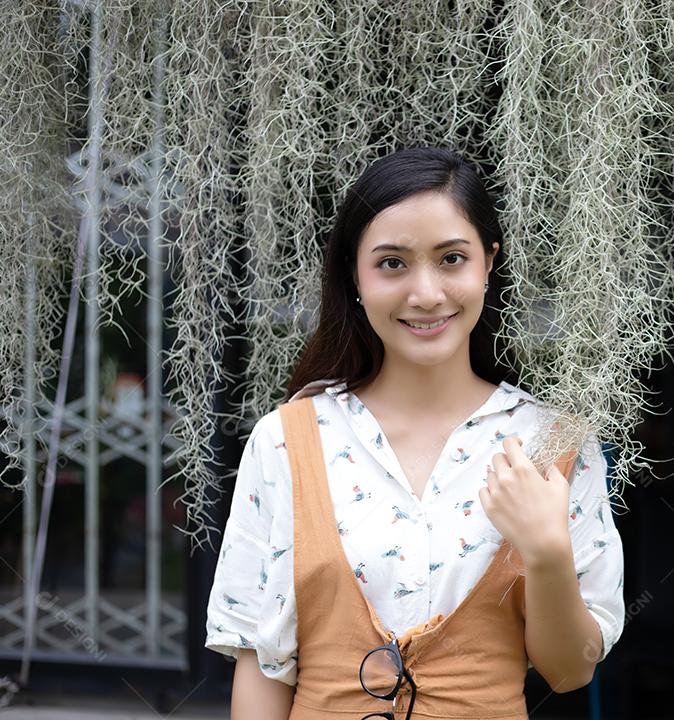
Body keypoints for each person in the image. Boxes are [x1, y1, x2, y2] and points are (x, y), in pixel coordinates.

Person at [204, 147, 625, 719]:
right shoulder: (288, 439)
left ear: (489, 262)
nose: (426, 294)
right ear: (354, 273)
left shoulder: (551, 443)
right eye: (392, 264)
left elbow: (570, 670)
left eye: (452, 258)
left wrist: (546, 550)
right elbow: (260, 658)